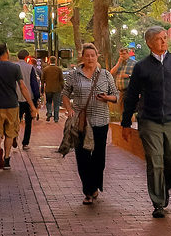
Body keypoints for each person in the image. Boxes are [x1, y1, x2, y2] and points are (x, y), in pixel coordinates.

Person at [121, 26, 171, 218]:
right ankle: (158, 203)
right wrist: (126, 123)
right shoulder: (141, 67)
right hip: (149, 121)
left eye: (165, 38)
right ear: (149, 43)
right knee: (155, 161)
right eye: (159, 39)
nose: (164, 41)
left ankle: (162, 188)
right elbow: (131, 96)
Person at [62, 43, 117, 205]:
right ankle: (88, 191)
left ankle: (94, 185)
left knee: (99, 158)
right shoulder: (74, 75)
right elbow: (65, 94)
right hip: (82, 122)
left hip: (100, 121)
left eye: (93, 55)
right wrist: (69, 109)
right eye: (87, 55)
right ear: (82, 57)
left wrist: (107, 98)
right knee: (83, 156)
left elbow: (116, 95)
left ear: (97, 56)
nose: (90, 58)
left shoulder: (105, 75)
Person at [0, 44, 38, 170]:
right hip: (12, 105)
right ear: (6, 52)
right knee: (10, 133)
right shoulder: (15, 67)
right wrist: (32, 105)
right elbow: (22, 87)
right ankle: (6, 159)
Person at [14, 49, 41, 150]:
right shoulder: (30, 68)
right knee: (28, 122)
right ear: (27, 57)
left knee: (16, 120)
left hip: (16, 97)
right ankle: (25, 143)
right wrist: (37, 97)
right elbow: (34, 84)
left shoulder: (14, 67)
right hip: (29, 98)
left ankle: (14, 137)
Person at [109, 48, 135, 114]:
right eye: (120, 54)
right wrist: (118, 63)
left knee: (128, 111)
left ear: (128, 54)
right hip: (120, 92)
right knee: (122, 112)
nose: (122, 56)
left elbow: (139, 76)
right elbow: (111, 73)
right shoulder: (119, 63)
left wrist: (128, 76)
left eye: (124, 54)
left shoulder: (134, 63)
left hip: (129, 91)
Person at [41, 56, 64, 122]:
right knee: (56, 104)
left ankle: (49, 112)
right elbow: (61, 80)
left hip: (48, 89)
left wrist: (42, 89)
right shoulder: (59, 69)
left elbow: (42, 80)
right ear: (55, 61)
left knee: (48, 102)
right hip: (57, 89)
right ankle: (56, 118)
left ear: (49, 61)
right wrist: (62, 87)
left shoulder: (45, 69)